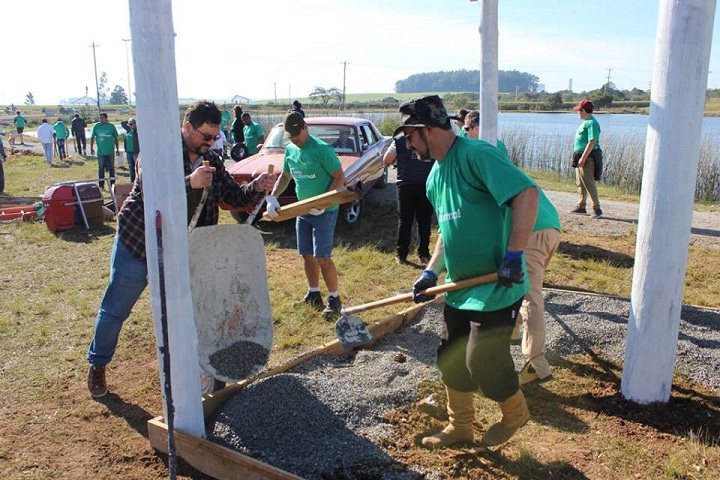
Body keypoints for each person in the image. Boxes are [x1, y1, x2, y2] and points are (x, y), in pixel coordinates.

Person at [86, 100, 278, 398]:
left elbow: (233, 196)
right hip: (139, 245)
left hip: (185, 251)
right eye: (205, 136)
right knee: (115, 310)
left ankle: (202, 371)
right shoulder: (157, 151)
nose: (211, 143)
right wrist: (190, 181)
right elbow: (153, 190)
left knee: (192, 314)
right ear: (187, 127)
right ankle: (98, 365)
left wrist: (256, 185)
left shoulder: (212, 159)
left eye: (215, 137)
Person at [396, 95, 538, 450]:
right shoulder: (434, 177)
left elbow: (527, 195)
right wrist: (430, 272)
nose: (409, 145)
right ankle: (460, 427)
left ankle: (516, 413)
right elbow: (447, 230)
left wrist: (514, 254)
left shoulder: (477, 155)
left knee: (483, 361)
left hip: (496, 285)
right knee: (451, 359)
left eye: (411, 136)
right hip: (460, 287)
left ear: (429, 129)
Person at [464, 109, 562, 385]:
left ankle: (537, 365)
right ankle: (516, 332)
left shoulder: (480, 155)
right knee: (521, 285)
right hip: (550, 224)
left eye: (468, 129)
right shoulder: (497, 153)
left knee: (531, 297)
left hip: (533, 230)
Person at [266, 111, 345, 318]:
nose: (295, 139)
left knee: (322, 256)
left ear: (305, 128)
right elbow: (285, 176)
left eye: (297, 135)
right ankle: (314, 294)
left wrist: (324, 202)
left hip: (324, 211)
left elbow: (339, 177)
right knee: (306, 253)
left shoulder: (321, 149)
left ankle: (335, 299)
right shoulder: (290, 150)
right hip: (303, 210)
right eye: (291, 137)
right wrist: (273, 197)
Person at [382, 133, 434, 264]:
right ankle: (424, 253)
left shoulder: (399, 139)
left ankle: (401, 255)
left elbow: (387, 159)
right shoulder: (432, 135)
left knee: (405, 221)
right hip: (427, 183)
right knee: (425, 220)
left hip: (405, 184)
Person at [570, 99, 603, 219]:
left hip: (588, 158)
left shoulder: (592, 123)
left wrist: (583, 158)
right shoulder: (586, 122)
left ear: (583, 110)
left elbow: (592, 141)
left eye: (579, 110)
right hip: (580, 156)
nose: (578, 113)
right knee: (580, 183)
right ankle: (581, 206)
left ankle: (596, 208)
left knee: (589, 183)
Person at [90, 113, 120, 190]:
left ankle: (112, 184)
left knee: (111, 168)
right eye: (100, 118)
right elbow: (92, 137)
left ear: (106, 118)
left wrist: (117, 149)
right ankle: (101, 185)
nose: (101, 120)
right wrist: (91, 148)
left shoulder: (111, 126)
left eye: (102, 118)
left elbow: (116, 138)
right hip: (101, 152)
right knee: (101, 168)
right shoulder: (96, 126)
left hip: (110, 151)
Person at [120, 118, 140, 183]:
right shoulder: (128, 130)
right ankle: (132, 180)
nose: (130, 125)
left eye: (131, 124)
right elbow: (122, 123)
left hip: (135, 152)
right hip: (129, 152)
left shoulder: (138, 132)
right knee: (131, 167)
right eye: (129, 124)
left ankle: (138, 181)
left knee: (137, 167)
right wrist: (129, 121)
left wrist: (136, 122)